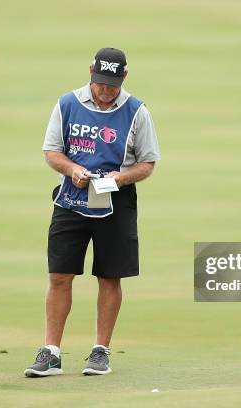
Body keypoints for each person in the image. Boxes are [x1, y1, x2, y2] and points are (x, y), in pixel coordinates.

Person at [24, 47, 160, 377]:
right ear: (90, 72)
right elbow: (51, 151)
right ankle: (52, 351)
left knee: (109, 276)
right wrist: (71, 169)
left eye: (112, 84)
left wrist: (121, 177)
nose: (105, 90)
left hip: (116, 203)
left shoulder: (137, 111)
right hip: (71, 199)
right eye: (100, 82)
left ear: (124, 77)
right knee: (59, 275)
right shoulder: (67, 104)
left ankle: (100, 351)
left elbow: (148, 162)